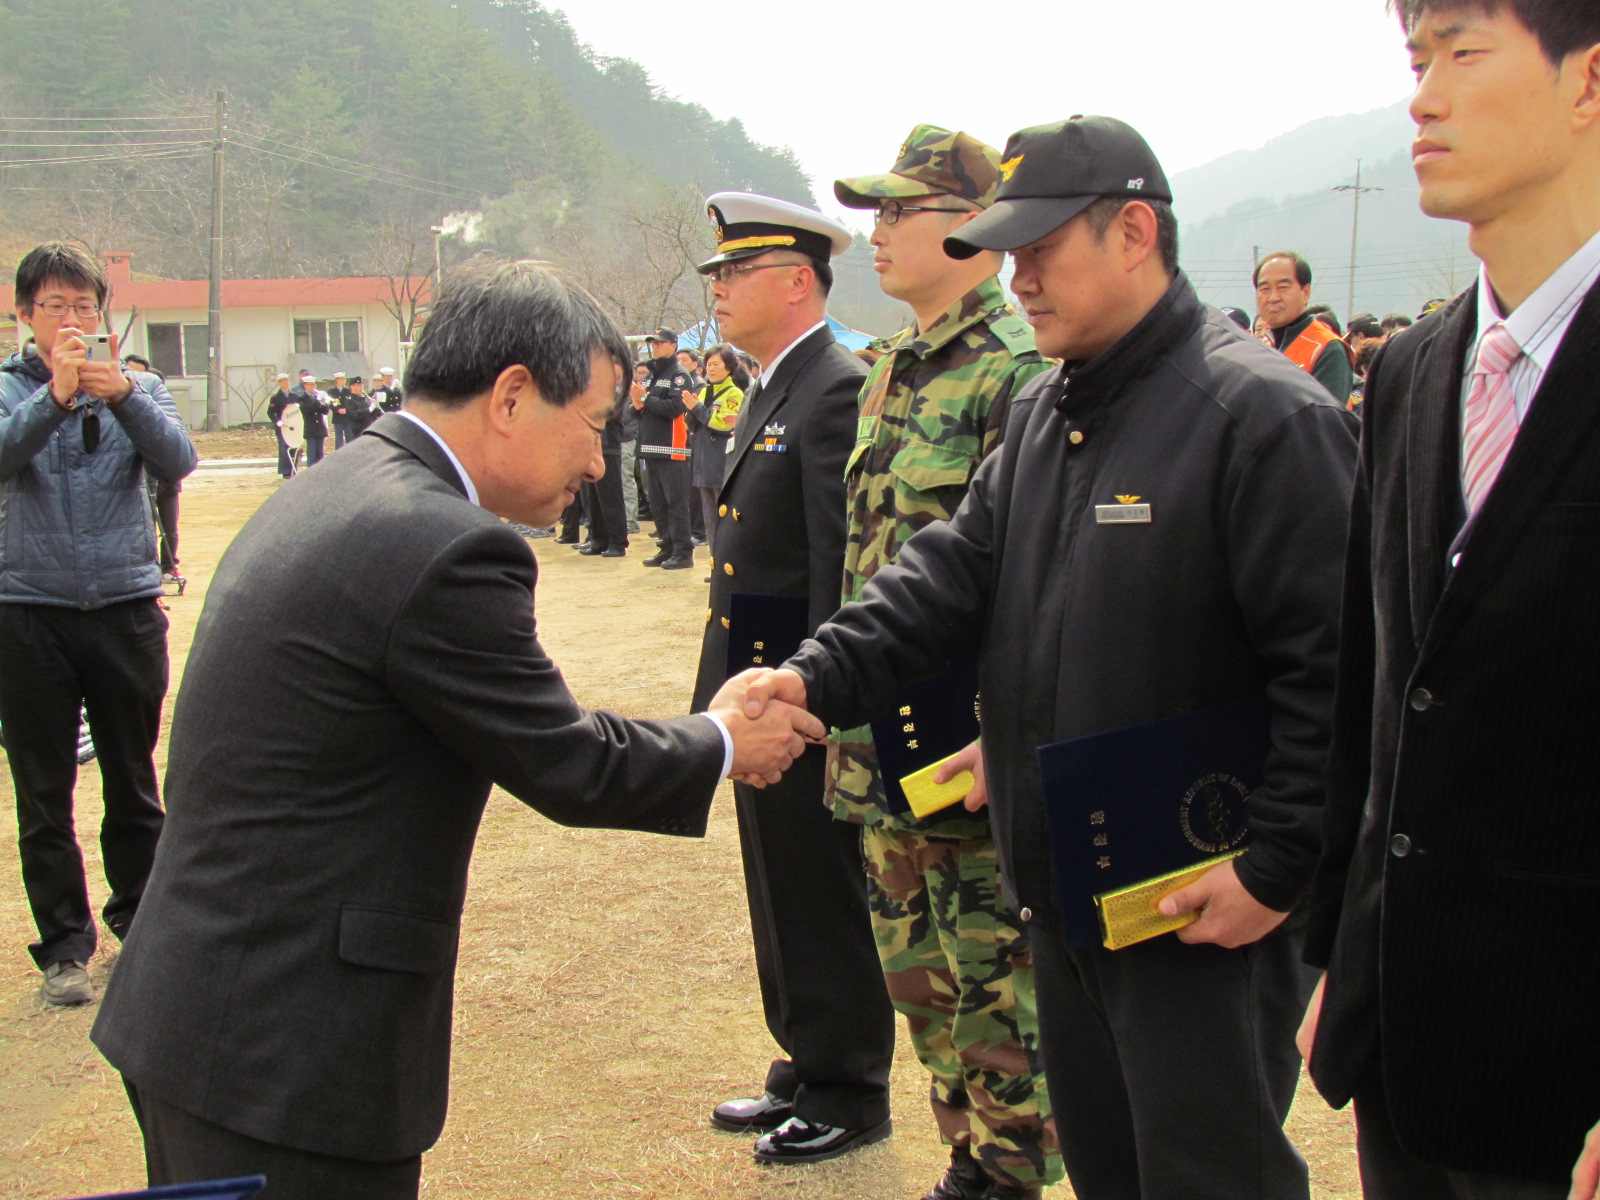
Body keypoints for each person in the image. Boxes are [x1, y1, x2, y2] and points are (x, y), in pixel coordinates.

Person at [90, 258, 824, 1199]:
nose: (598, 463)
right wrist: (724, 739)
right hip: (286, 1048)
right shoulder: (442, 543)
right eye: (593, 425)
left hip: (207, 1008)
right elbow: (568, 762)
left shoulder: (348, 482)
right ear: (512, 397)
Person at [744, 117, 1358, 1199]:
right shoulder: (1045, 410)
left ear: (1134, 232)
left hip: (1198, 898)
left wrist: (1275, 870)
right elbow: (945, 576)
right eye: (1008, 253)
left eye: (1039, 250)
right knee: (1110, 1167)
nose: (1018, 278)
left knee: (1208, 1174)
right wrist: (810, 676)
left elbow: (1337, 669)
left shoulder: (1259, 417)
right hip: (1068, 883)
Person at [1299, 2, 1600, 1197]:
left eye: (1464, 53)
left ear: (1587, 80)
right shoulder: (1417, 370)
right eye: (1415, 59)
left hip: (1564, 1051)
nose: (1422, 97)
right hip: (1405, 1037)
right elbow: (1372, 693)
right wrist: (1343, 946)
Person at [830, 123, 1060, 1200]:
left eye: (897, 211)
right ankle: (964, 1155)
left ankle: (1009, 1174)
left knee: (993, 983)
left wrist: (1003, 732)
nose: (876, 234)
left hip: (961, 744)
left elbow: (1030, 577)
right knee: (917, 977)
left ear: (969, 226)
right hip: (879, 737)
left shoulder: (1017, 370)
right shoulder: (888, 369)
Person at [690, 192, 896, 1166]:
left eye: (738, 271)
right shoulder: (774, 383)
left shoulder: (834, 387)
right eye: (718, 273)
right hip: (756, 685)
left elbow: (836, 568)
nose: (719, 288)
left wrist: (811, 701)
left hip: (798, 696)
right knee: (777, 884)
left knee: (818, 889)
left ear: (798, 282)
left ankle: (848, 1084)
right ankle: (806, 1057)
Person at [0, 242, 197, 1006]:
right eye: (55, 306)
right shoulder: (8, 389)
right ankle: (63, 948)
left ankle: (140, 924)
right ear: (25, 314)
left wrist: (123, 398)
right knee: (42, 792)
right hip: (27, 612)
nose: (73, 320)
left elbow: (178, 461)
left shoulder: (139, 386)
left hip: (124, 608)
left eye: (85, 305)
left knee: (134, 780)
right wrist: (53, 398)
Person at [632, 328, 696, 568]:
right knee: (658, 505)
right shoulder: (651, 375)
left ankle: (683, 552)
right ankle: (666, 547)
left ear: (673, 345)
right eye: (653, 343)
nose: (655, 346)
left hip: (673, 449)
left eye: (660, 343)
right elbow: (637, 411)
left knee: (676, 504)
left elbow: (675, 408)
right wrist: (637, 403)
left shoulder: (679, 375)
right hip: (650, 447)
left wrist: (645, 399)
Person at [1256, 251, 1355, 400]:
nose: (1273, 297)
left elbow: (1327, 413)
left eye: (1283, 287)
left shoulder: (1327, 348)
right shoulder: (1262, 347)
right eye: (1265, 289)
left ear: (1306, 292)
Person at [682, 343, 745, 561]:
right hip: (702, 460)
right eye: (708, 364)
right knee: (709, 518)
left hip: (721, 461)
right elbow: (692, 424)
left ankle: (728, 563)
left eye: (716, 364)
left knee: (724, 517)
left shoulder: (734, 393)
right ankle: (715, 562)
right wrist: (693, 412)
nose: (711, 369)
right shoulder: (704, 391)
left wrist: (697, 409)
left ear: (728, 367)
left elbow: (722, 424)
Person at [295, 372, 330, 466]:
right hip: (310, 428)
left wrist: (324, 402)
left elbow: (325, 411)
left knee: (320, 453)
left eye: (314, 384)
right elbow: (307, 409)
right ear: (305, 386)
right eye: (310, 385)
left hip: (320, 428)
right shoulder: (302, 398)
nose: (313, 387)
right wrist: (318, 400)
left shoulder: (317, 397)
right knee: (311, 453)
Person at [267, 372, 294, 478]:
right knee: (284, 450)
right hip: (282, 427)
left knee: (293, 448)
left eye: (286, 380)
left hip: (293, 427)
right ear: (279, 383)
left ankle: (293, 469)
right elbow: (270, 412)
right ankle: (285, 471)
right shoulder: (275, 398)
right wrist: (277, 421)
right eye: (282, 381)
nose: (285, 383)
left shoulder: (294, 395)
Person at [328, 370, 355, 449]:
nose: (343, 380)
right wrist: (337, 409)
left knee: (349, 437)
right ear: (337, 380)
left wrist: (347, 410)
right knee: (339, 438)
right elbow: (330, 403)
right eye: (341, 379)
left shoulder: (349, 391)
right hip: (338, 417)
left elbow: (352, 402)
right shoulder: (332, 391)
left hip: (348, 417)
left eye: (344, 378)